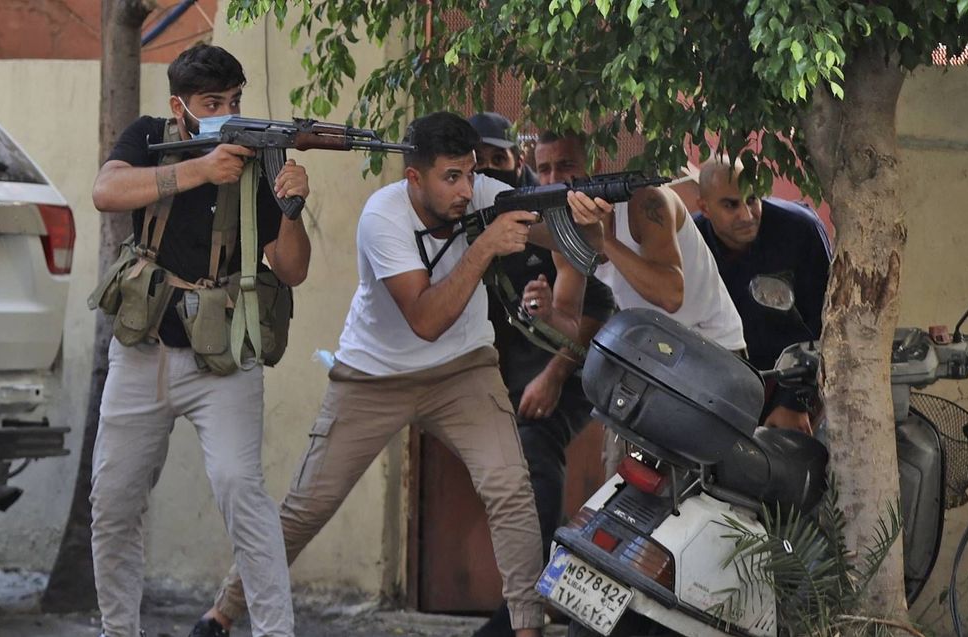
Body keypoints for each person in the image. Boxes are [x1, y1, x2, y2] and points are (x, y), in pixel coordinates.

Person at [192, 112, 612, 637]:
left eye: (470, 173)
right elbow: (426, 320)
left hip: (463, 373)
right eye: (450, 178)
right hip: (373, 377)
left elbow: (573, 243)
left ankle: (526, 629)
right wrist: (484, 246)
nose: (465, 190)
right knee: (307, 508)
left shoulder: (485, 191)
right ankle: (224, 611)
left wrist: (587, 221)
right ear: (415, 178)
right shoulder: (382, 217)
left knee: (510, 489)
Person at [89, 44, 311, 637]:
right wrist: (198, 169)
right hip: (142, 352)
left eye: (234, 101)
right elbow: (106, 191)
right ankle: (118, 631)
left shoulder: (258, 157)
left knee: (243, 494)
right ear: (180, 108)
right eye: (213, 104)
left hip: (224, 359)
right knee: (113, 502)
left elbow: (291, 269)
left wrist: (291, 207)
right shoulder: (148, 135)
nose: (227, 114)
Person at [467, 114, 616, 637]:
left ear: (514, 161)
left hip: (562, 372)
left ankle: (527, 606)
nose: (490, 172)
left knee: (536, 452)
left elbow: (596, 308)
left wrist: (553, 374)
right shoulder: (469, 209)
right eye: (478, 164)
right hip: (494, 378)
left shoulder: (556, 213)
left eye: (499, 160)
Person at [534, 131, 745, 474]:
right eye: (544, 170)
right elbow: (569, 322)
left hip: (711, 356)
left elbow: (670, 294)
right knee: (621, 478)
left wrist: (605, 244)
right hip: (653, 358)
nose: (555, 179)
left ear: (594, 166)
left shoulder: (645, 202)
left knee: (695, 488)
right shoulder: (567, 223)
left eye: (566, 165)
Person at [694, 158, 832, 434]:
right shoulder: (691, 241)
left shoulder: (800, 230)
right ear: (704, 208)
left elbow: (829, 324)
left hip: (798, 386)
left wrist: (796, 401)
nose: (746, 215)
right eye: (731, 205)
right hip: (718, 394)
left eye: (752, 199)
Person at [468, 111, 540, 188]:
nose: (489, 167)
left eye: (498, 159)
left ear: (519, 164)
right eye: (478, 160)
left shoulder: (541, 195)